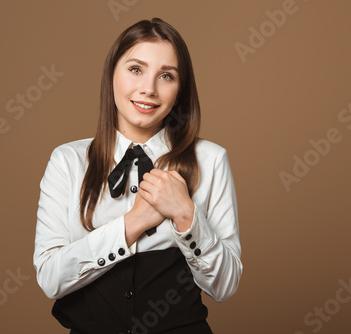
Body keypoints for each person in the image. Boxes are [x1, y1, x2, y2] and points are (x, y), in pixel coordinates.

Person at [33, 17, 242, 334]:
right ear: (112, 75)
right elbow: (51, 280)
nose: (149, 88)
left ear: (180, 88)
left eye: (167, 76)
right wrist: (132, 224)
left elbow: (224, 286)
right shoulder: (67, 161)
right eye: (135, 69)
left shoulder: (211, 160)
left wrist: (187, 216)